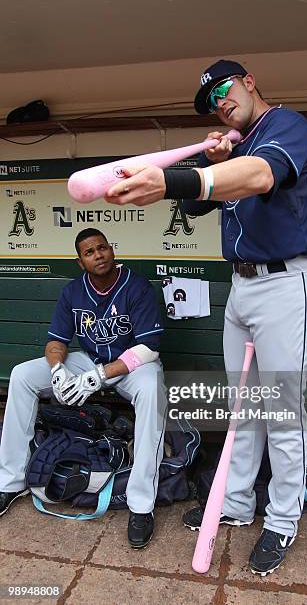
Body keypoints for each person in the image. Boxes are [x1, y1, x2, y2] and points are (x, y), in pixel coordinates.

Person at [104, 59, 307, 575]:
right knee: (243, 408)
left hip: (284, 283)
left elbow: (261, 174)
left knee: (281, 413)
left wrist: (192, 176)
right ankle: (238, 502)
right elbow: (209, 200)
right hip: (243, 286)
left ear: (250, 82)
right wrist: (212, 157)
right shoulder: (238, 146)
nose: (219, 103)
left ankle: (282, 519)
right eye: (210, 102)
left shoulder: (285, 125)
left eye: (224, 90)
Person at [0, 227, 167, 549]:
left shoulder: (136, 285)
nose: (98, 255)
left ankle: (141, 504)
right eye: (89, 252)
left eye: (102, 248)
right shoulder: (73, 292)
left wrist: (100, 377)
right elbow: (56, 341)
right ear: (81, 262)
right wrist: (58, 370)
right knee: (22, 375)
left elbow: (149, 347)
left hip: (132, 364)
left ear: (112, 251)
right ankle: (10, 481)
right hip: (89, 360)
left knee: (152, 392)